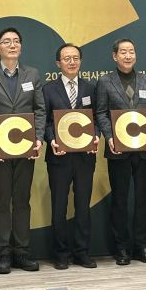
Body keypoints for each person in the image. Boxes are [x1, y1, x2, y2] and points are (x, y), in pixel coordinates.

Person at [0, 27, 45, 274]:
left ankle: (22, 252)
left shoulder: (32, 74)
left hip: (26, 147)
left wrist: (38, 138)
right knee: (2, 201)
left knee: (23, 201)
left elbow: (40, 109)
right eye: (7, 42)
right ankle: (3, 253)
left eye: (16, 41)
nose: (12, 45)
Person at [96, 38, 146, 266]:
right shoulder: (105, 82)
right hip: (119, 150)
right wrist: (109, 137)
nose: (128, 56)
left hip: (145, 149)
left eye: (131, 51)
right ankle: (122, 248)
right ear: (114, 56)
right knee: (120, 200)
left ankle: (141, 246)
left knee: (144, 200)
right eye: (123, 52)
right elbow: (101, 113)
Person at [43, 43, 99, 270]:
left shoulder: (91, 88)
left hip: (85, 156)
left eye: (75, 58)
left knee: (83, 206)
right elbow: (45, 121)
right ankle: (61, 254)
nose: (72, 62)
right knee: (59, 206)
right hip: (59, 156)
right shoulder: (48, 89)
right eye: (67, 58)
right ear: (58, 63)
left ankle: (82, 252)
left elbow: (97, 118)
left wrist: (96, 136)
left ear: (81, 61)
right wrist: (51, 139)